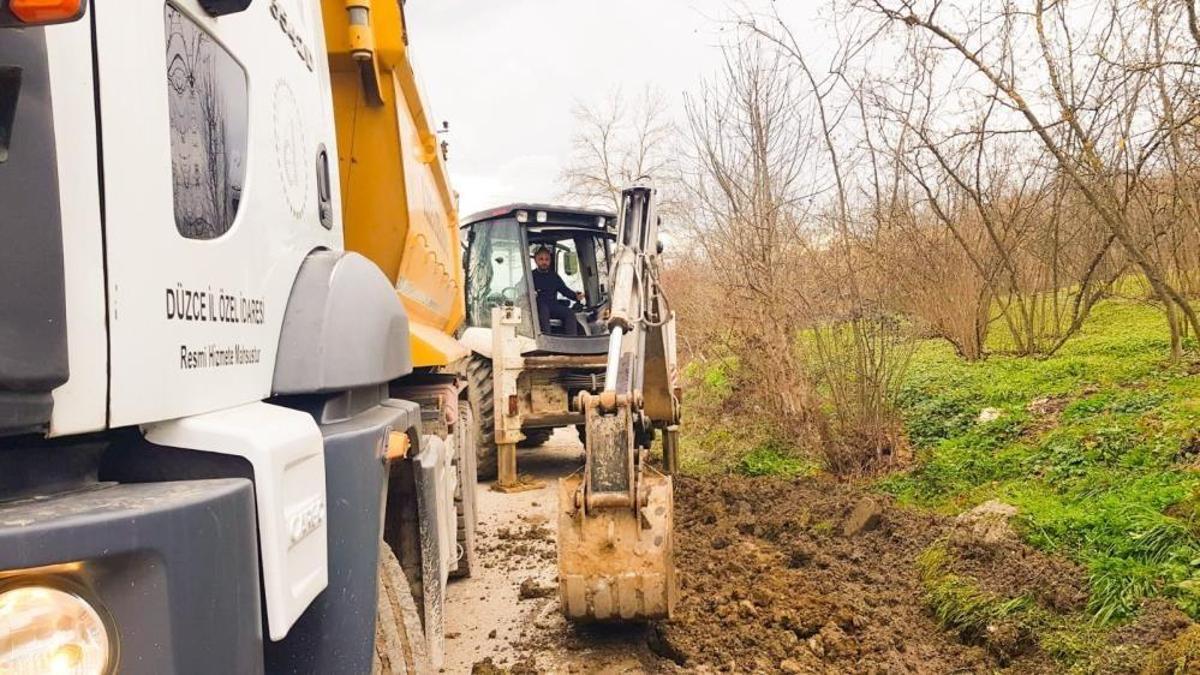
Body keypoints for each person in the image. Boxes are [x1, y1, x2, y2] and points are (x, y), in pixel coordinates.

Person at [531, 246, 583, 336]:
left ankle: (571, 340)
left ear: (550, 261)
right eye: (541, 259)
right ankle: (547, 339)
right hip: (537, 307)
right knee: (543, 310)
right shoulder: (531, 276)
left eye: (547, 259)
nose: (544, 262)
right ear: (536, 260)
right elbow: (521, 289)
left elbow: (564, 289)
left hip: (552, 305)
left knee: (569, 313)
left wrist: (575, 296)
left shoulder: (554, 276)